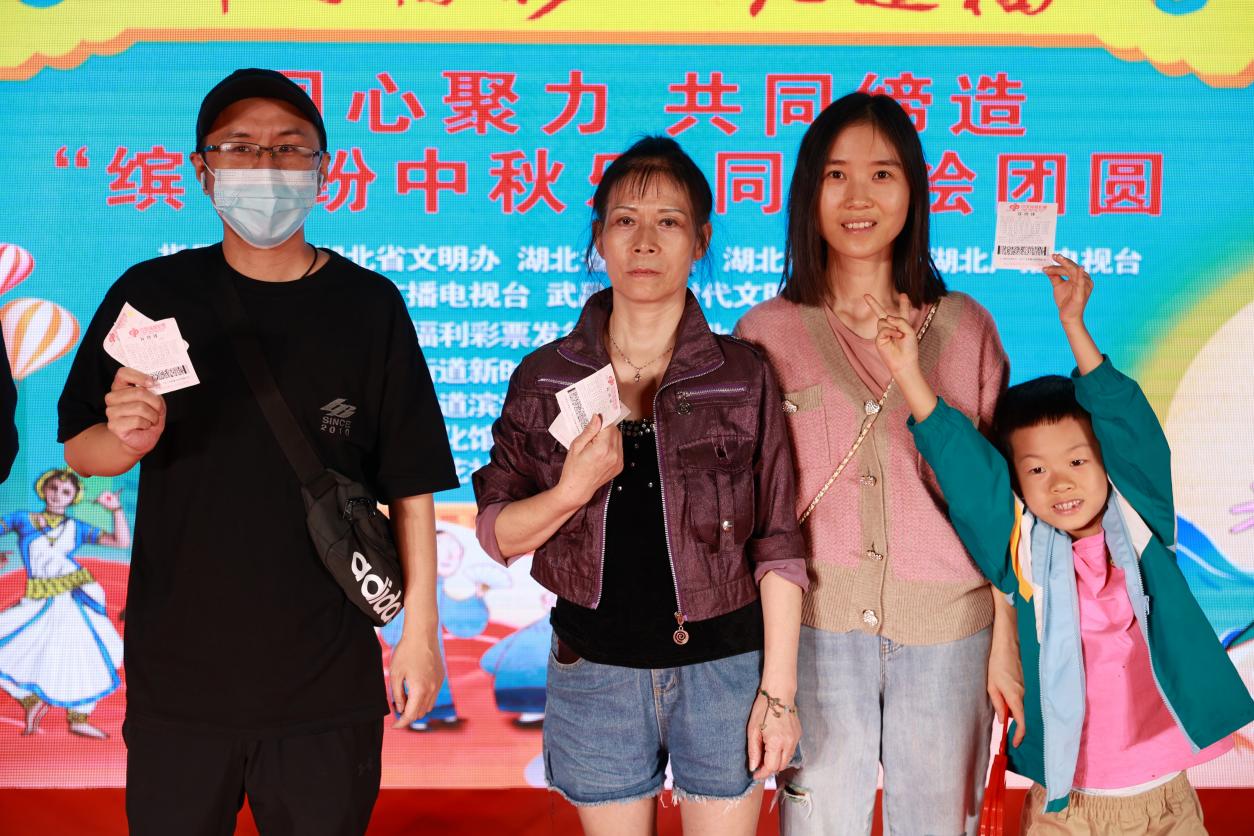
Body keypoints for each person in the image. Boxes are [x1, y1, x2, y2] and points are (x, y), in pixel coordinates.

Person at [57, 68, 458, 836]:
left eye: (288, 148)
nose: (265, 167)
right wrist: (126, 438)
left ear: (323, 168)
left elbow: (410, 484)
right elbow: (83, 449)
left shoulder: (368, 305)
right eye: (240, 148)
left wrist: (420, 636)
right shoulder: (153, 293)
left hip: (326, 681)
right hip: (181, 678)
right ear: (202, 169)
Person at [472, 136, 806, 836]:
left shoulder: (742, 375)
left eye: (669, 221)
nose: (645, 241)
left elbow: (778, 543)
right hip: (595, 671)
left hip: (724, 671)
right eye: (625, 220)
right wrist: (570, 491)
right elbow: (497, 533)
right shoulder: (545, 377)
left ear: (700, 240)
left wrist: (777, 694)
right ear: (599, 239)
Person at [735, 92, 1023, 836]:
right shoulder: (765, 334)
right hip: (816, 634)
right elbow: (752, 512)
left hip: (951, 633)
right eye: (836, 175)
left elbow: (1001, 514)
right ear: (809, 193)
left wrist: (1006, 640)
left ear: (914, 190)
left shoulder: (966, 328)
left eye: (882, 174)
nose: (858, 197)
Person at [885, 255, 1254, 833]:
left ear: (1106, 462)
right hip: (1067, 807)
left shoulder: (1144, 522)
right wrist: (908, 372)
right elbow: (965, 469)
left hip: (1165, 802)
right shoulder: (1021, 551)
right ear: (1016, 480)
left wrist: (1075, 325)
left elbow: (1128, 421)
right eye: (1036, 470)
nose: (1059, 483)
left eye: (1078, 461)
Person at [0, 469, 128, 739]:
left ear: (74, 497)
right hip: (38, 599)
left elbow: (121, 543)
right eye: (54, 488)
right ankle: (29, 701)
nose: (58, 495)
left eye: (66, 492)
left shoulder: (76, 527)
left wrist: (116, 509)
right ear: (43, 489)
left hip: (74, 598)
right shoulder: (24, 519)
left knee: (86, 656)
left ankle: (78, 717)